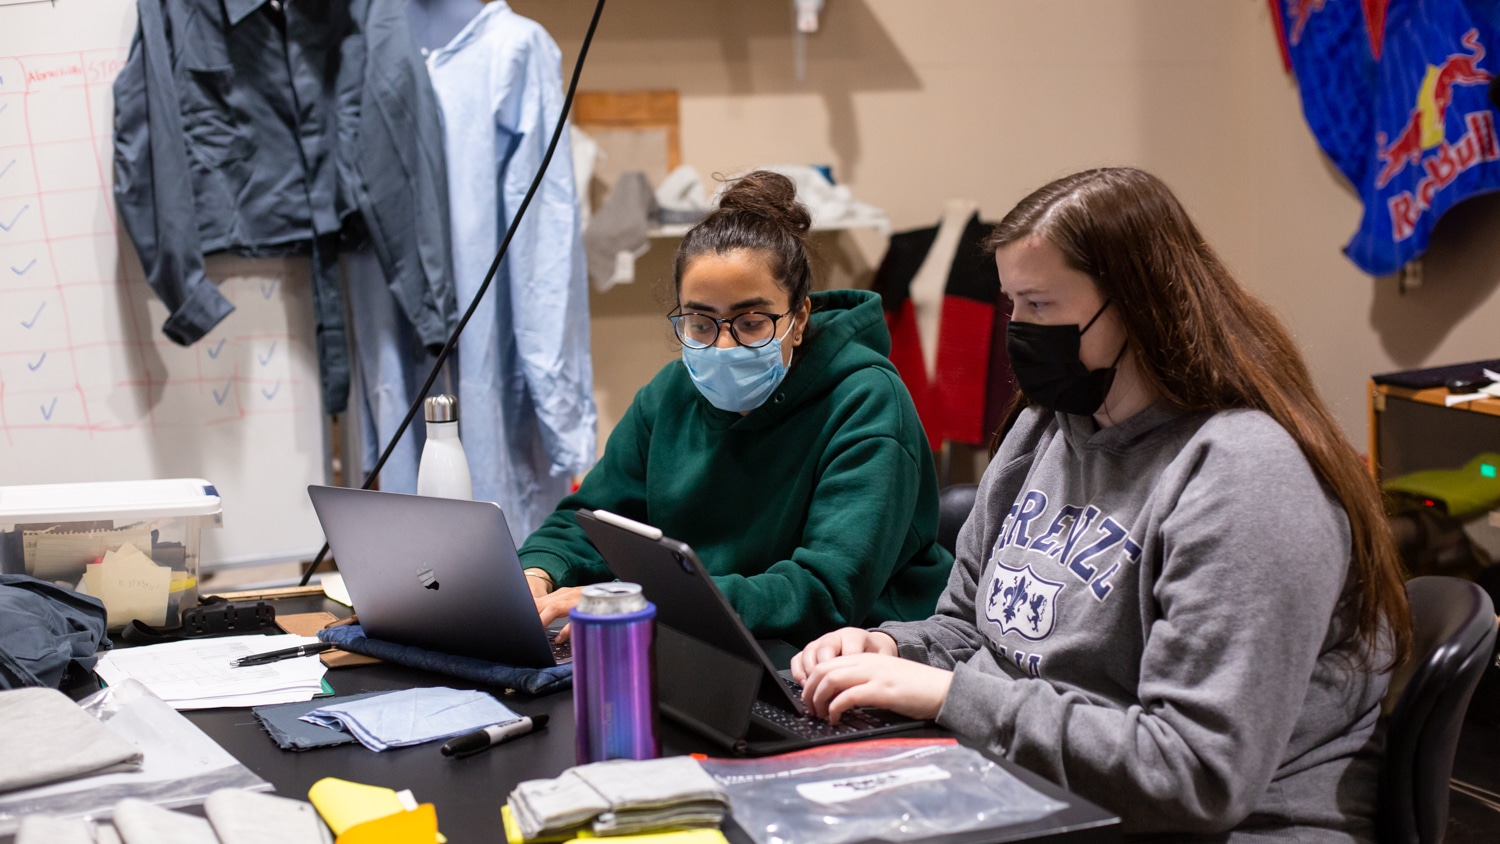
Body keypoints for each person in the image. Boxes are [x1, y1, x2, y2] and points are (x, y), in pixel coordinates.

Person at [792, 167, 1412, 841]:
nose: (1019, 332)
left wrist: (950, 697)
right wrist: (890, 648)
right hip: (1041, 792)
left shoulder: (1246, 478)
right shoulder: (1045, 427)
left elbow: (1195, 777)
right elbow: (970, 629)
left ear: (1136, 306)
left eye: (1042, 306)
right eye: (1013, 306)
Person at [518, 170, 953, 646]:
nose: (724, 346)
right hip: (708, 635)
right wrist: (538, 573)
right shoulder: (670, 396)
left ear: (800, 316)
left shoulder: (865, 402)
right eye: (701, 323)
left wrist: (637, 601)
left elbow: (825, 592)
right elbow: (589, 521)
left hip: (854, 653)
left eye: (750, 322)